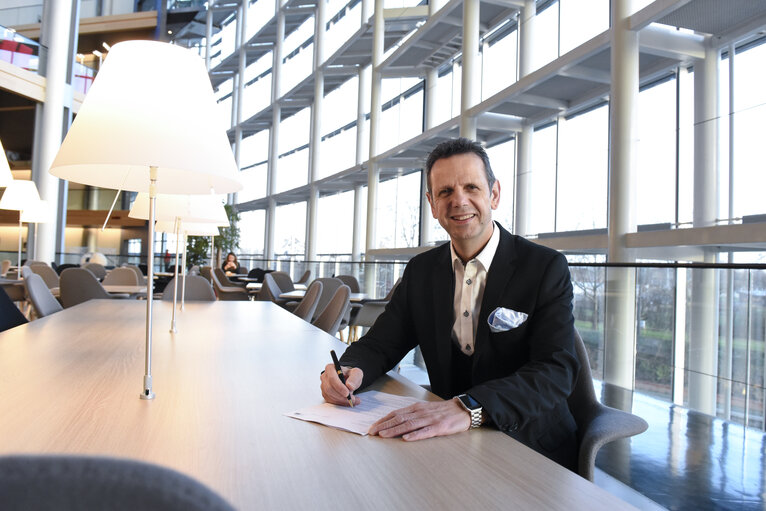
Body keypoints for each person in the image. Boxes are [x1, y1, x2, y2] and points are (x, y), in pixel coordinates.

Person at [320, 138, 580, 471]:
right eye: (445, 192)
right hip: (449, 447)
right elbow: (382, 343)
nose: (459, 201)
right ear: (432, 204)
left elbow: (555, 371)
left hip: (530, 446)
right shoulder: (422, 271)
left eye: (471, 187)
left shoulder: (545, 267)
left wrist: (469, 407)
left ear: (494, 194)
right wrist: (348, 371)